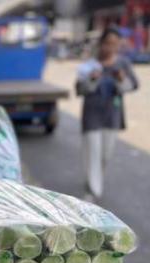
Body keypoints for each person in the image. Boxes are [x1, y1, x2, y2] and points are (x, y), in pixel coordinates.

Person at [76, 27, 139, 200]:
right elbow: (79, 89)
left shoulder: (122, 63)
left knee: (105, 155)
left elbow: (133, 85)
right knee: (92, 154)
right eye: (107, 43)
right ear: (101, 43)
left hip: (112, 117)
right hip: (91, 116)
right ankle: (92, 191)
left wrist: (121, 80)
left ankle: (95, 182)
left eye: (114, 44)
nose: (110, 48)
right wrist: (92, 79)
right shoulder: (90, 65)